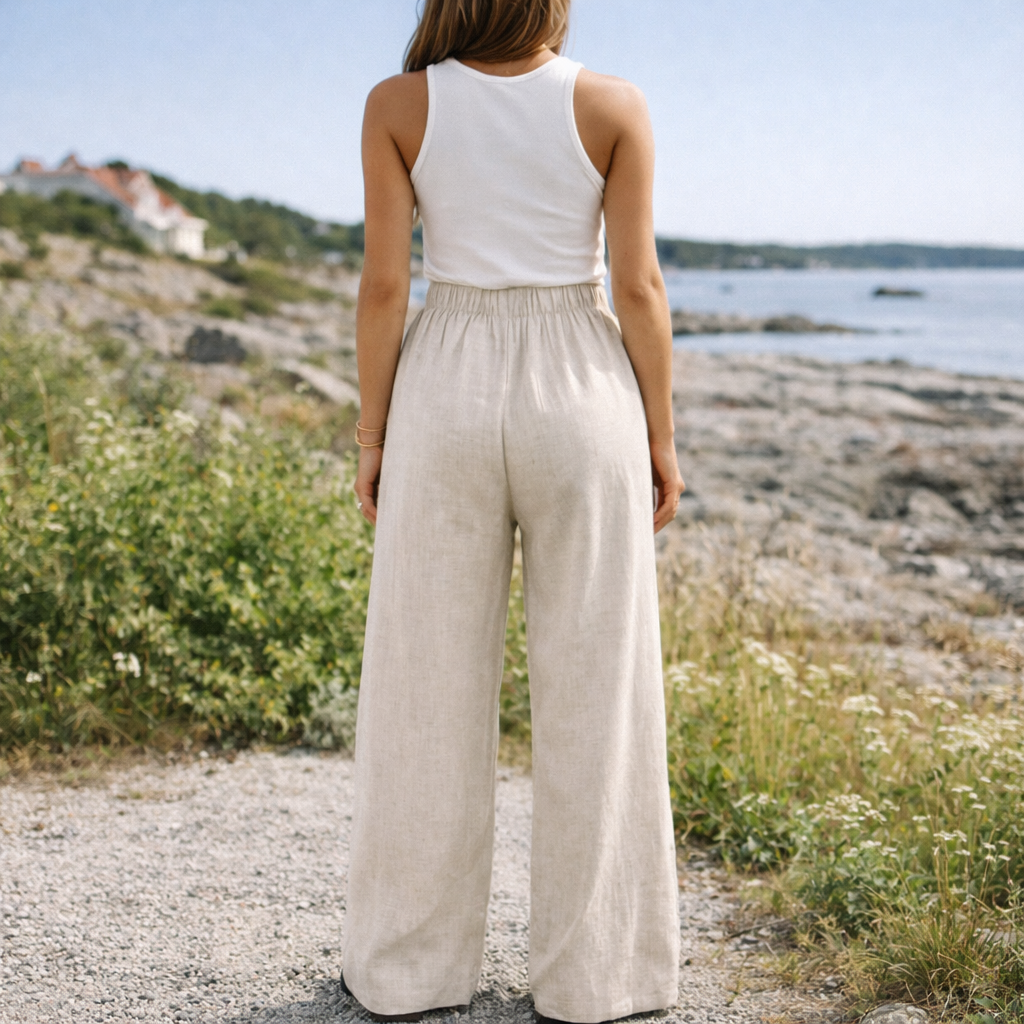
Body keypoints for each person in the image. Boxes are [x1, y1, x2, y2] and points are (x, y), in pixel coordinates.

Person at [343, 1, 684, 1021]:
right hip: (582, 388)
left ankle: (407, 971)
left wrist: (372, 436)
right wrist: (662, 436)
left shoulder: (398, 104)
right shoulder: (613, 104)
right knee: (599, 686)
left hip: (444, 382)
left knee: (422, 685)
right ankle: (597, 980)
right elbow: (638, 286)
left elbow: (384, 288)